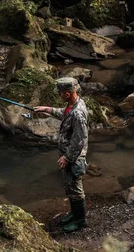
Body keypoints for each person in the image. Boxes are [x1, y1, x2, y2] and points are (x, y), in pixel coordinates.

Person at [34, 77, 89, 232]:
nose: (59, 94)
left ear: (68, 93)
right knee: (70, 187)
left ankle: (80, 221)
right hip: (68, 154)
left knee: (76, 188)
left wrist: (67, 158)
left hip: (74, 157)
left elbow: (79, 140)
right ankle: (74, 213)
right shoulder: (73, 105)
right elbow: (64, 114)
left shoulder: (78, 114)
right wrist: (47, 109)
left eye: (60, 92)